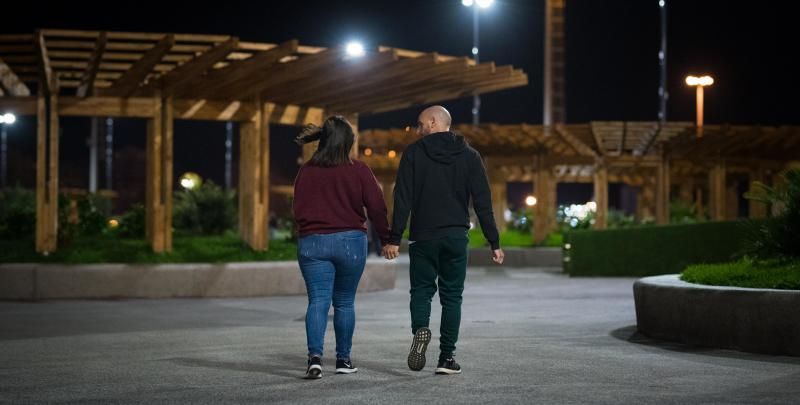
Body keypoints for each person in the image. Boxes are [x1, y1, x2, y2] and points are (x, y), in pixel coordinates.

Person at [382, 105, 505, 375]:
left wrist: (394, 239)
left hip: (423, 237)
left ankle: (420, 330)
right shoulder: (471, 156)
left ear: (434, 122)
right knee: (452, 297)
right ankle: (446, 358)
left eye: (420, 123)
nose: (417, 129)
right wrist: (493, 242)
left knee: (421, 292)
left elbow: (402, 200)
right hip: (455, 237)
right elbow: (483, 202)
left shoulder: (413, 153)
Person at [293, 116, 391, 379]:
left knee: (318, 301)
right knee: (345, 302)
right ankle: (343, 360)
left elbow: (297, 207)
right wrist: (386, 239)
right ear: (347, 141)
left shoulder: (306, 170)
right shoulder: (358, 170)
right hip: (350, 243)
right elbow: (377, 207)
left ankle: (314, 358)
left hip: (312, 242)